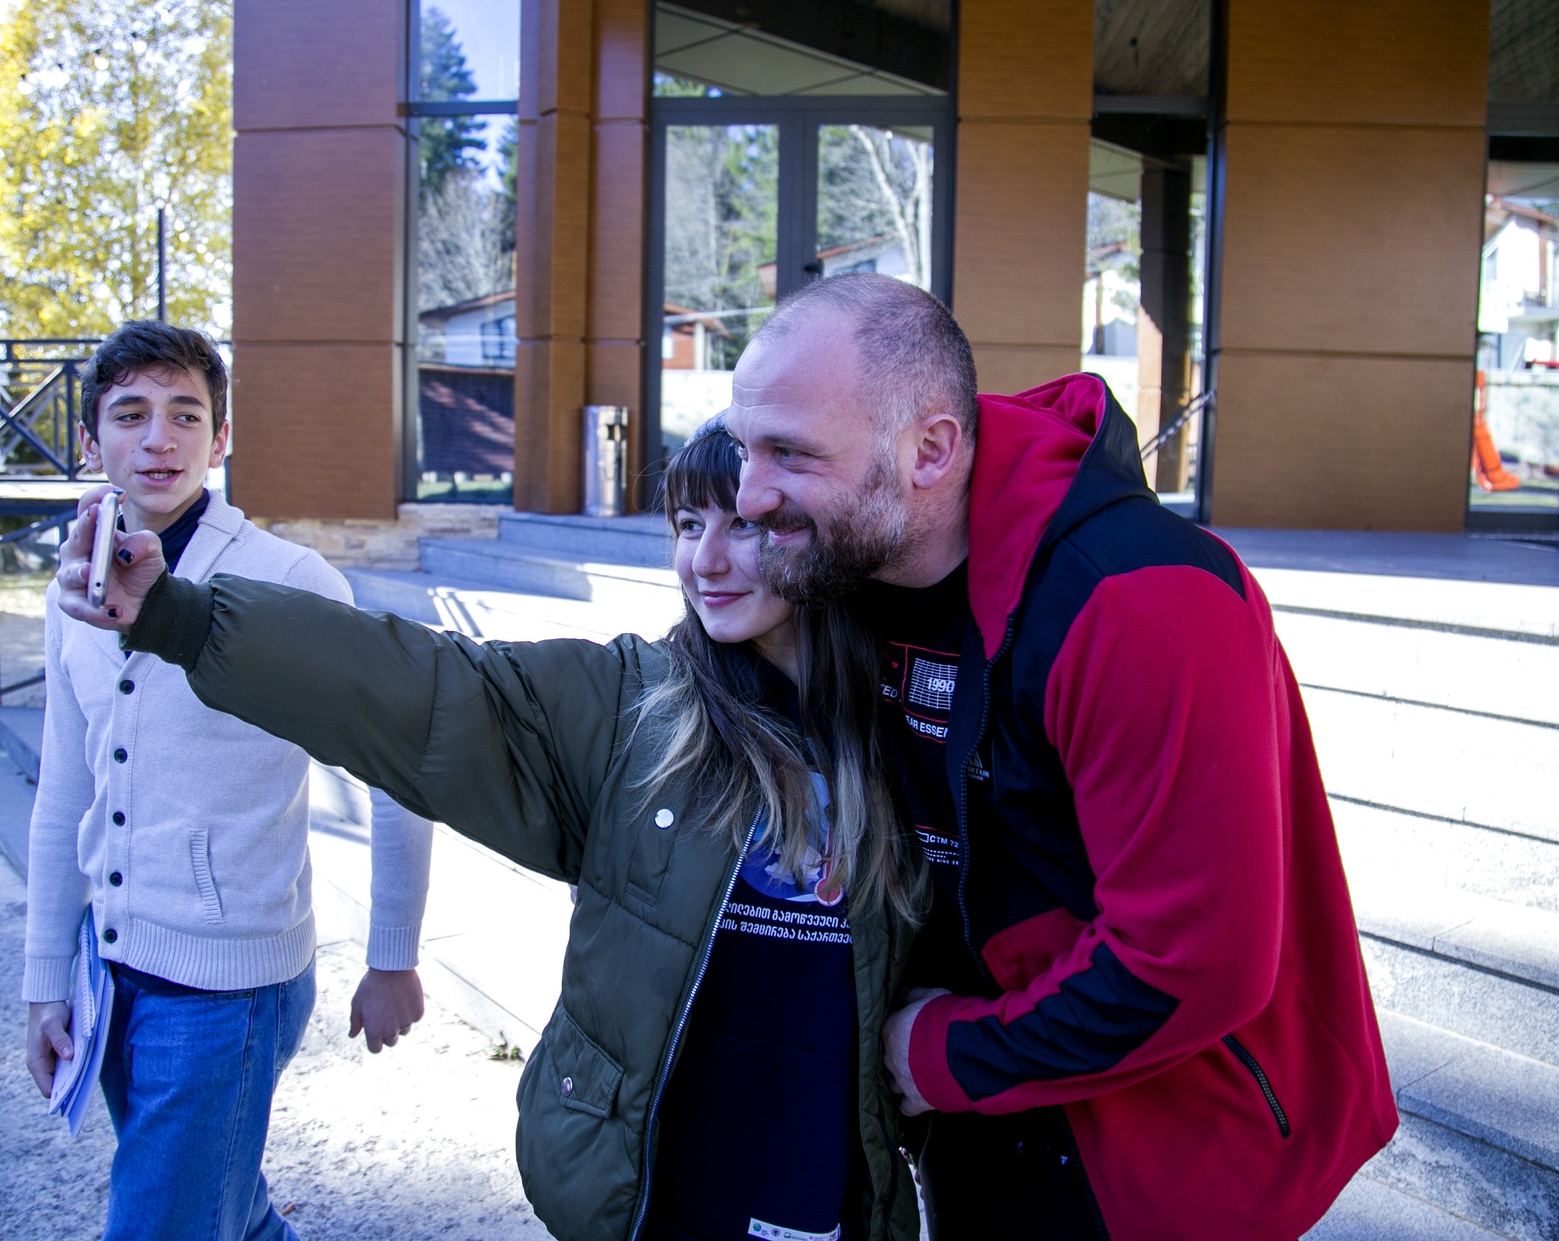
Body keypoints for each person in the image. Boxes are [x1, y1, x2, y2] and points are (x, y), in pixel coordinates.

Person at [55, 421, 928, 1241]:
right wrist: (180, 618)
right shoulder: (633, 704)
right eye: (688, 524)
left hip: (822, 1179)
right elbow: (426, 690)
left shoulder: (909, 727)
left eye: (741, 523)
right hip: (659, 1184)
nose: (705, 559)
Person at [724, 273, 1396, 1241]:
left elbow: (1189, 965)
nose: (749, 495)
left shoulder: (1141, 603)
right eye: (744, 447)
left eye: (790, 452)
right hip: (981, 1124)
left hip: (1164, 1154)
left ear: (929, 451)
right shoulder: (850, 564)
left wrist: (940, 1055)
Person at [22, 321, 435, 1241]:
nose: (159, 439)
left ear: (221, 440)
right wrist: (46, 978)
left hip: (227, 990)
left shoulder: (290, 579)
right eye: (131, 414)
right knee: (228, 1212)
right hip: (109, 969)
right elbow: (64, 791)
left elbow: (398, 759)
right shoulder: (72, 588)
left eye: (186, 414)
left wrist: (392, 952)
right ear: (89, 440)